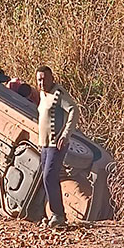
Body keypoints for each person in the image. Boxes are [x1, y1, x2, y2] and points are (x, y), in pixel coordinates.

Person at [36, 65, 79, 228]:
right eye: (39, 79)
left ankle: (58, 215)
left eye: (45, 79)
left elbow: (74, 110)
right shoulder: (42, 94)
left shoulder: (58, 93)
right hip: (45, 144)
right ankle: (53, 213)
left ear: (51, 78)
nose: (42, 82)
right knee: (46, 178)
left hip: (56, 143)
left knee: (50, 176)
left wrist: (66, 134)